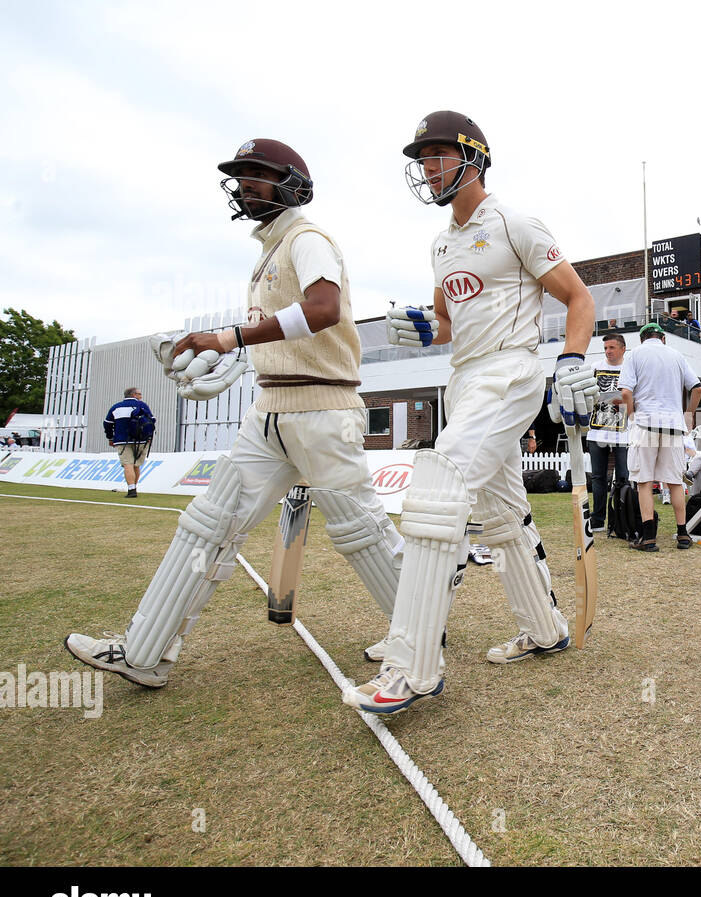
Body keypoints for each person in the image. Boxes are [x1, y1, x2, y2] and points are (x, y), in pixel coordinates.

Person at [67, 137, 406, 689]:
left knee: (360, 532)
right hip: (270, 409)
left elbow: (323, 310)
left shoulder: (308, 238)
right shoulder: (265, 256)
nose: (246, 183)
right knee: (207, 524)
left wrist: (230, 337)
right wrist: (246, 360)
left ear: (291, 183)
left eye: (258, 174)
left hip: (322, 408)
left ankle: (417, 634)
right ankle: (144, 652)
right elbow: (288, 332)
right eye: (241, 175)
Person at [346, 110, 596, 714]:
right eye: (422, 161)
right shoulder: (440, 243)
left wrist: (571, 361)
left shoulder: (515, 223)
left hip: (510, 371)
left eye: (438, 157)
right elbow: (446, 325)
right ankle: (545, 629)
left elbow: (579, 296)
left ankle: (412, 668)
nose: (429, 170)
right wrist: (418, 330)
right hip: (463, 379)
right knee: (501, 512)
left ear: (472, 158)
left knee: (438, 491)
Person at [620, 322, 701, 551]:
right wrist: (689, 413)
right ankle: (683, 534)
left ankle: (648, 537)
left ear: (642, 338)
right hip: (673, 424)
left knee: (644, 481)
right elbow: (697, 388)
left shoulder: (635, 354)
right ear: (663, 338)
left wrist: (631, 414)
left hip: (645, 423)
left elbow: (626, 392)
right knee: (674, 481)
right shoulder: (676, 355)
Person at [588, 332, 630, 533]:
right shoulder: (594, 367)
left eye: (612, 347)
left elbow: (633, 397)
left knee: (623, 476)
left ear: (622, 348)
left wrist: (620, 399)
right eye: (605, 348)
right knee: (598, 477)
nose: (608, 351)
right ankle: (597, 520)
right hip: (597, 430)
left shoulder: (630, 368)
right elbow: (589, 395)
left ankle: (622, 519)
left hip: (623, 431)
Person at [103, 387, 155, 498]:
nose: (141, 396)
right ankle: (134, 487)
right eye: (139, 394)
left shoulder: (116, 407)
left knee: (128, 465)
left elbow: (107, 424)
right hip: (141, 440)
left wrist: (110, 438)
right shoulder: (142, 406)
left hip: (122, 440)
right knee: (136, 465)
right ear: (134, 394)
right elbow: (152, 421)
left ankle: (132, 490)